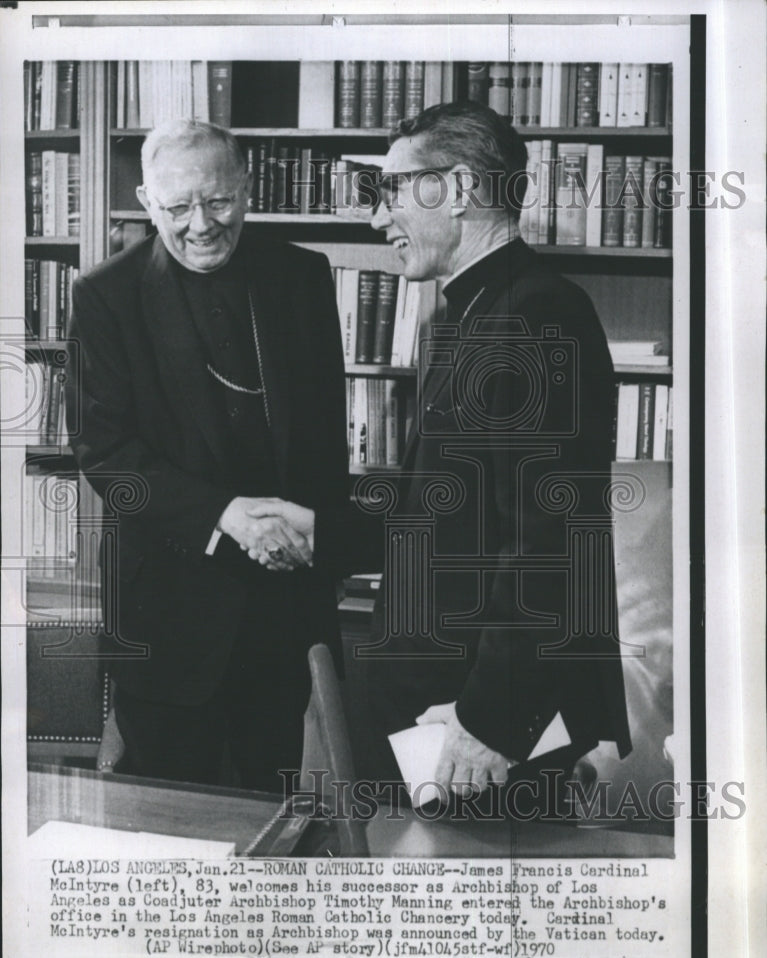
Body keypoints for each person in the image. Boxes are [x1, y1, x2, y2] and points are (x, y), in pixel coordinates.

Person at [245, 101, 633, 809]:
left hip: (477, 729)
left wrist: (491, 721)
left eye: (390, 190)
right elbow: (448, 508)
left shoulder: (532, 315)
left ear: (455, 191)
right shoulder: (483, 310)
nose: (376, 218)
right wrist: (322, 528)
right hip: (446, 716)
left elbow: (551, 542)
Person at [65, 119, 349, 791]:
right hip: (169, 617)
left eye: (218, 200)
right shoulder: (103, 295)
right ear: (144, 200)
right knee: (166, 821)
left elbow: (322, 440)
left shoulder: (302, 277)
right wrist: (225, 515)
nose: (201, 224)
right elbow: (104, 451)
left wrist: (317, 544)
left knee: (274, 812)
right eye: (177, 207)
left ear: (246, 190)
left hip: (284, 608)